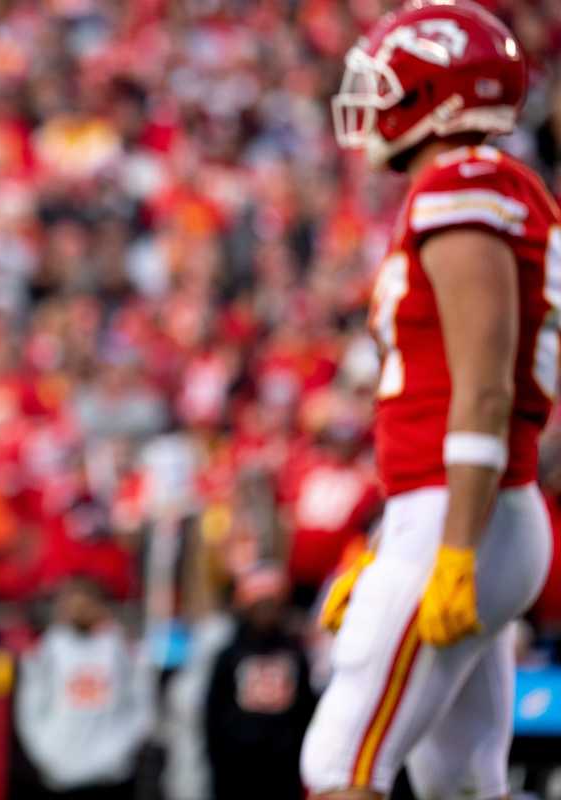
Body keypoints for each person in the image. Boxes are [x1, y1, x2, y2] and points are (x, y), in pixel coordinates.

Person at [301, 2, 559, 798]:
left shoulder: (464, 186)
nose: (371, 101)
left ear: (435, 93)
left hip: (466, 517)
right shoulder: (487, 186)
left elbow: (482, 387)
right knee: (457, 779)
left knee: (341, 764)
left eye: (387, 84)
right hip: (467, 513)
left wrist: (448, 549)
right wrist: (390, 542)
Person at [13, 575, 153, 800]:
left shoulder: (119, 647)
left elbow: (142, 703)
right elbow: (29, 707)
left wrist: (120, 751)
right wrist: (48, 753)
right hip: (61, 775)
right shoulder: (48, 649)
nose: (79, 609)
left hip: (112, 776)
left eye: (86, 602)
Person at [204, 564, 316, 800]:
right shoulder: (229, 655)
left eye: (271, 604)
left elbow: (305, 709)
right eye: (259, 604)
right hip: (237, 769)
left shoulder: (295, 652)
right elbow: (213, 713)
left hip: (283, 769)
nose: (266, 612)